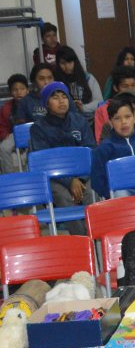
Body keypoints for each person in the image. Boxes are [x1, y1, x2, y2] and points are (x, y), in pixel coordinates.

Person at [28, 82, 96, 235]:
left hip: (82, 174)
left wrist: (80, 179)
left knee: (91, 192)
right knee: (64, 196)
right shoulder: (38, 128)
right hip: (54, 176)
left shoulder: (80, 121)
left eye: (64, 96)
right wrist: (69, 181)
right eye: (55, 98)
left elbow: (90, 150)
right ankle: (83, 238)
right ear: (46, 103)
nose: (61, 101)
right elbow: (44, 162)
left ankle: (93, 234)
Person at [55, 46, 103, 118]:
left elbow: (99, 102)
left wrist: (83, 107)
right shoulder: (57, 82)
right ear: (58, 64)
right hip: (67, 119)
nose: (67, 66)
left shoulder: (88, 78)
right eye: (63, 63)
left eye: (70, 62)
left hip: (89, 118)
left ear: (75, 62)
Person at [0, 74, 28, 173]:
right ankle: (9, 175)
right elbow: (2, 125)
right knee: (3, 148)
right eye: (15, 90)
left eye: (22, 89)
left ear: (27, 90)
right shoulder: (6, 107)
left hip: (32, 133)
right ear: (11, 92)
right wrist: (5, 135)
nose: (19, 92)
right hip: (14, 134)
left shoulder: (32, 103)